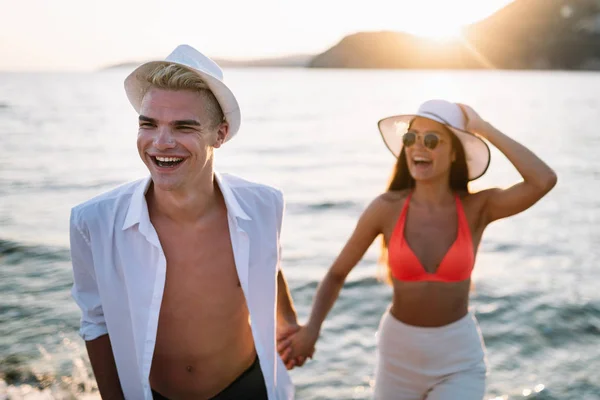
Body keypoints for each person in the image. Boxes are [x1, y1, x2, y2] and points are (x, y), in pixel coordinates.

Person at [278, 99, 557, 399]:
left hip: (458, 358)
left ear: (454, 154)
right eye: (411, 138)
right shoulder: (385, 208)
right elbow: (337, 273)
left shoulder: (478, 207)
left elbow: (543, 180)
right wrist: (311, 329)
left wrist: (483, 128)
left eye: (432, 140)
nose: (418, 147)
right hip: (398, 355)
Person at [69, 44, 301, 400]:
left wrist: (287, 321)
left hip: (249, 387)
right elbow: (96, 322)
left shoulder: (265, 204)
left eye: (183, 127)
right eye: (149, 124)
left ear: (220, 134)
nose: (161, 142)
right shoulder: (94, 223)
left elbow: (272, 262)